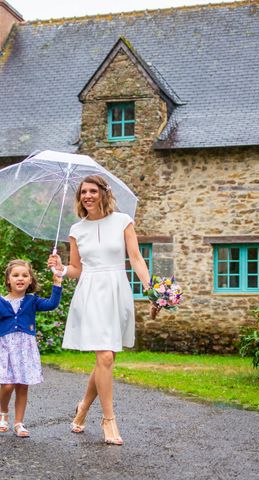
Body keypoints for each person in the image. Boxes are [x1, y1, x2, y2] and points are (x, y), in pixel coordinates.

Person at [48, 174, 151, 446]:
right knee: (104, 356)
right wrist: (59, 268)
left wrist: (151, 288)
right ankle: (109, 419)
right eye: (83, 192)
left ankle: (82, 407)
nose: (87, 196)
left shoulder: (123, 221)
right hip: (90, 292)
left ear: (104, 193)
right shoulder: (76, 229)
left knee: (106, 359)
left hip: (117, 289)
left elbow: (136, 258)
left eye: (93, 191)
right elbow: (75, 269)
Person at [0, 259, 63, 438]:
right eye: (16, 275)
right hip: (6, 349)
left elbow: (51, 304)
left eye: (25, 275)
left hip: (26, 348)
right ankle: (3, 412)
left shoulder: (32, 301)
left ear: (30, 280)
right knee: (8, 384)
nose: (20, 278)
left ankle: (19, 422)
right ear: (8, 280)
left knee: (22, 386)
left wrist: (57, 283)